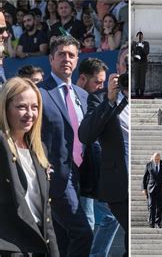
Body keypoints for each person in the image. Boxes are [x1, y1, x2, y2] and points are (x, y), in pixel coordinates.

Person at [38, 35, 92, 256]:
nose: (66, 59)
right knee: (83, 233)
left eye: (71, 55)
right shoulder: (40, 93)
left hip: (79, 175)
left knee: (60, 240)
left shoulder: (83, 95)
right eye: (61, 54)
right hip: (54, 177)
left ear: (77, 60)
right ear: (51, 59)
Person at [0, 77, 59, 256]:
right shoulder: (1, 144)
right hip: (8, 247)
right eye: (21, 107)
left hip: (37, 245)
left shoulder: (40, 150)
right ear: (5, 108)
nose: (30, 114)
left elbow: (45, 210)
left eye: (34, 107)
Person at [76, 56, 122, 256]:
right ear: (83, 79)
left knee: (110, 216)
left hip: (95, 171)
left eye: (104, 82)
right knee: (86, 220)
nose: (101, 86)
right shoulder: (74, 99)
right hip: (76, 170)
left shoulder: (100, 100)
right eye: (98, 82)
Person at [142, 152, 162, 229]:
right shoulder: (149, 164)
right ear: (153, 158)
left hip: (161, 189)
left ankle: (158, 222)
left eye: (158, 159)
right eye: (155, 159)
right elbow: (145, 177)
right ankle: (152, 222)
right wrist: (144, 188)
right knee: (151, 206)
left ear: (160, 158)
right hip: (151, 188)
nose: (156, 160)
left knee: (159, 206)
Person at [132, 31, 149, 97]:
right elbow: (131, 52)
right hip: (136, 62)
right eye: (138, 36)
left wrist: (142, 46)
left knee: (142, 78)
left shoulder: (146, 43)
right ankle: (136, 92)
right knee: (136, 77)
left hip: (143, 62)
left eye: (141, 36)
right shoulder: (134, 43)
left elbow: (147, 52)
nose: (139, 38)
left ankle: (142, 92)